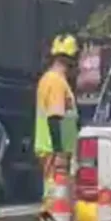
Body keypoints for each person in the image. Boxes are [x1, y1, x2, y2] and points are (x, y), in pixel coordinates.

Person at [35, 34, 80, 199]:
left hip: (54, 149)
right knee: (55, 194)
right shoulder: (55, 82)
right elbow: (55, 117)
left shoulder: (53, 80)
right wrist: (59, 152)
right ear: (70, 60)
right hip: (54, 150)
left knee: (58, 195)